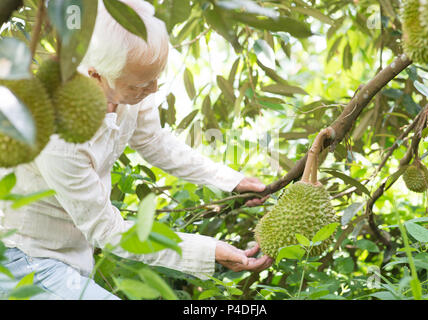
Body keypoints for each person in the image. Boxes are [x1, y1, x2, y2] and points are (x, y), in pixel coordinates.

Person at [0, 0, 272, 300]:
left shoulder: (124, 85)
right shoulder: (57, 133)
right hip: (26, 259)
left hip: (74, 252)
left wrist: (229, 180)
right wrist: (209, 251)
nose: (153, 89)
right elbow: (108, 230)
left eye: (156, 77)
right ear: (95, 75)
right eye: (141, 85)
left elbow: (155, 142)